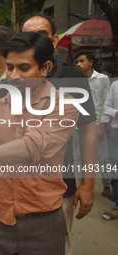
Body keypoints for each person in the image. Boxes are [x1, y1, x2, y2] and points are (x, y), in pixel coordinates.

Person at [0, 32, 80, 255]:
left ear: (45, 68)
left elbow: (31, 146)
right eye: (9, 67)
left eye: (23, 68)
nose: (13, 76)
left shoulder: (65, 105)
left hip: (43, 225)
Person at [21, 13, 97, 255]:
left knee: (57, 249)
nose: (34, 42)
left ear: (54, 40)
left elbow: (88, 132)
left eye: (41, 35)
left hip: (60, 188)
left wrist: (88, 182)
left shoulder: (74, 78)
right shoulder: (15, 78)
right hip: (18, 186)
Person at [75, 50, 111, 197]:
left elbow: (106, 103)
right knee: (78, 156)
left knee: (103, 157)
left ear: (91, 62)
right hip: (78, 125)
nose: (78, 64)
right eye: (77, 61)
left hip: (97, 125)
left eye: (82, 61)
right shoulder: (76, 80)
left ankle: (107, 185)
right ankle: (82, 183)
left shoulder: (102, 79)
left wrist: (102, 125)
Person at [103, 80, 118, 220]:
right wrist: (116, 113)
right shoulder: (115, 85)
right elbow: (106, 107)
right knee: (114, 169)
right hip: (117, 133)